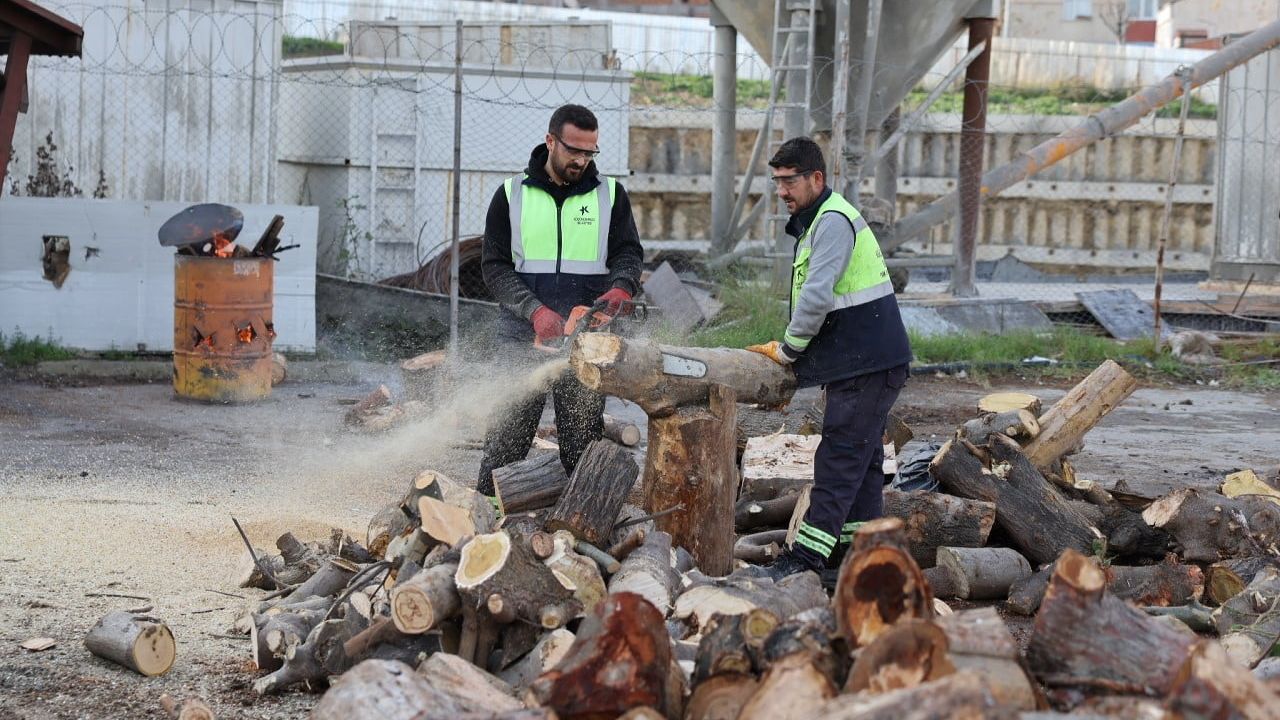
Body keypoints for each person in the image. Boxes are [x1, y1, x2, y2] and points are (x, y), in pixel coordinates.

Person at [746, 137, 912, 579]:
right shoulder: (819, 219)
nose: (782, 191)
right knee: (862, 462)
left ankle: (805, 560)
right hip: (866, 362)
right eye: (777, 181)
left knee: (839, 459)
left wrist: (788, 351)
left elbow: (817, 297)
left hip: (868, 365)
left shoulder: (832, 221)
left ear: (816, 178)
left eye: (790, 181)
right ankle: (860, 558)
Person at [475, 104, 643, 498]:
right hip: (521, 333)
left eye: (590, 153)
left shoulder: (611, 195)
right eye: (573, 151)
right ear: (551, 141)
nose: (581, 160)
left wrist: (622, 286)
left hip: (586, 339)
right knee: (506, 438)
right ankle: (486, 519)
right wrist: (535, 311)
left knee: (582, 441)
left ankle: (581, 524)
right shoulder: (511, 194)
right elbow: (494, 268)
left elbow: (628, 254)